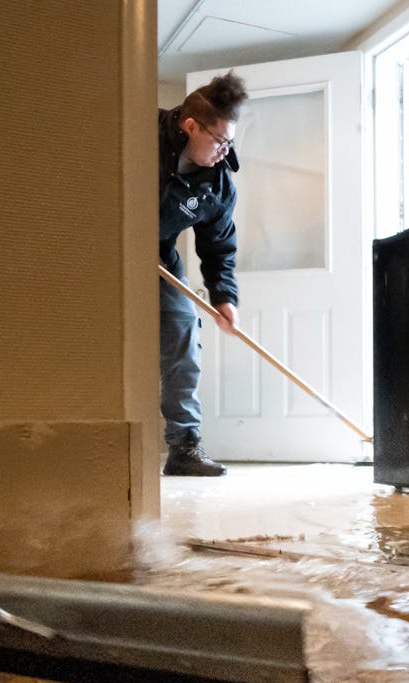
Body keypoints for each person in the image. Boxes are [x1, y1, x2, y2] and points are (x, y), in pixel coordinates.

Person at [157, 72, 248, 476]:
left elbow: (218, 247)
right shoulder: (137, 133)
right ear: (189, 126)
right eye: (219, 140)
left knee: (183, 329)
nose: (225, 151)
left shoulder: (218, 184)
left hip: (158, 255)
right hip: (101, 247)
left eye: (231, 141)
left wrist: (224, 297)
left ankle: (184, 447)